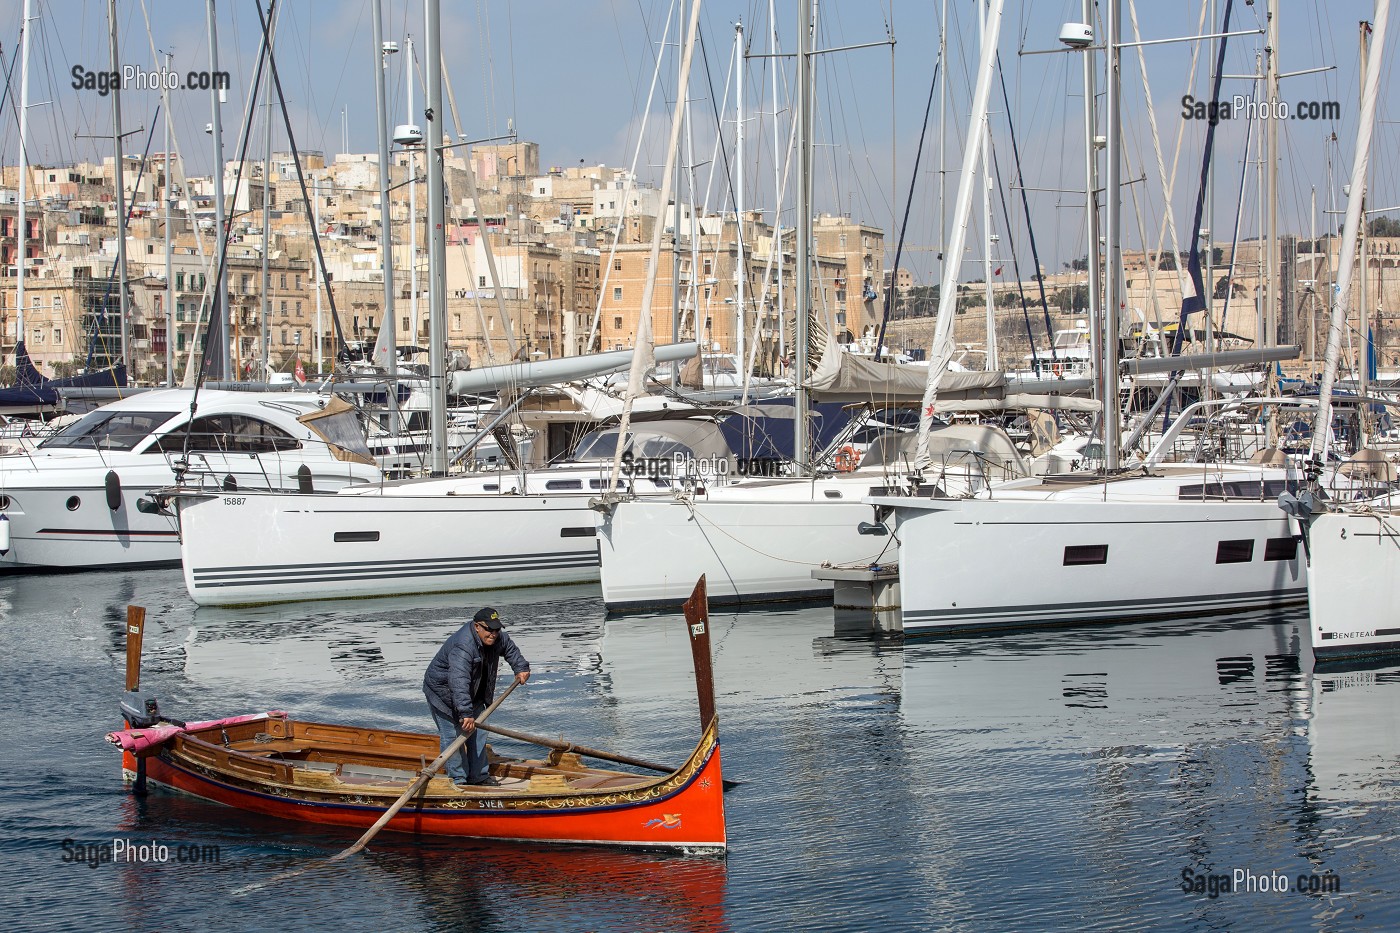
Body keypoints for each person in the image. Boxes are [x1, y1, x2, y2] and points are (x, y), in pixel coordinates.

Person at [423, 607, 530, 787]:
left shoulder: (497, 638)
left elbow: (510, 649)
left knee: (479, 733)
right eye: (489, 629)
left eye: (497, 629)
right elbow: (459, 680)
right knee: (454, 737)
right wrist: (465, 713)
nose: (493, 634)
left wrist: (521, 668)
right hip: (443, 694)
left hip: (474, 694)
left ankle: (479, 777)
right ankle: (458, 781)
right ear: (477, 626)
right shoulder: (463, 646)